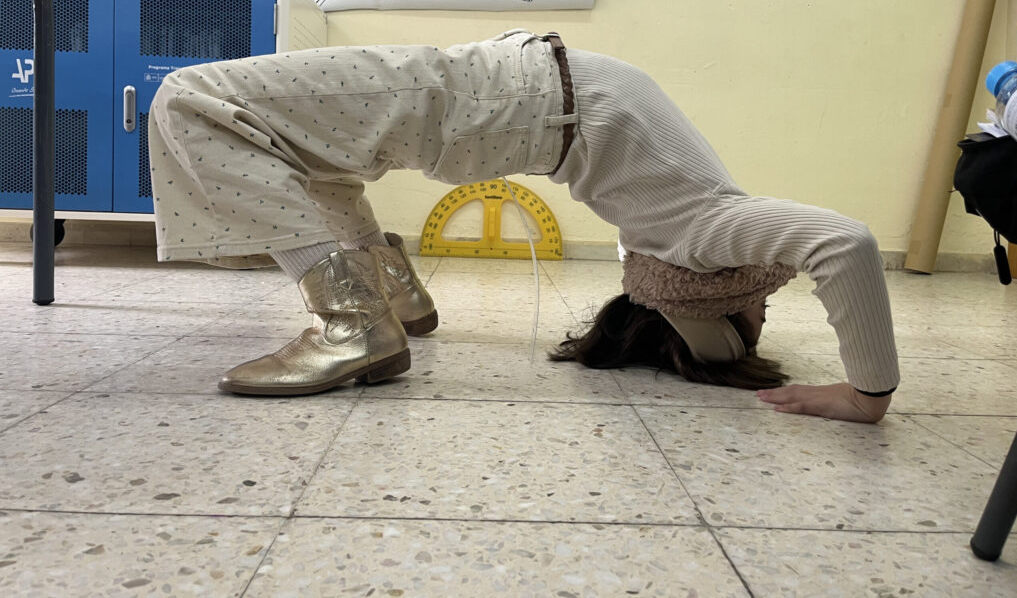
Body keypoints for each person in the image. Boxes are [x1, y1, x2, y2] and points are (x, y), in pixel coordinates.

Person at [147, 29, 899, 423]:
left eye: (757, 320)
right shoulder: (670, 240)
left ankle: (351, 321)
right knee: (299, 145)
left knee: (189, 96)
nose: (767, 305)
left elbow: (846, 243)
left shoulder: (704, 234)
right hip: (507, 94)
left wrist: (868, 396)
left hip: (497, 97)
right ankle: (397, 295)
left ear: (715, 303)